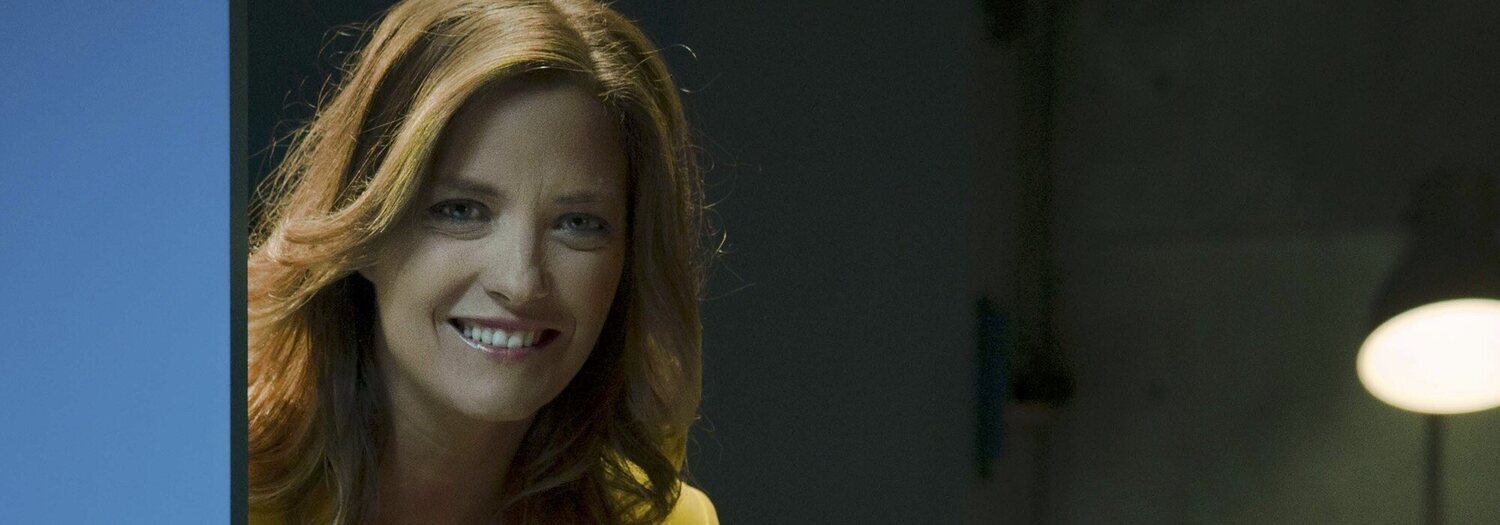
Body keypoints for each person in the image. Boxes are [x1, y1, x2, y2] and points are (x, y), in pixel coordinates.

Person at [247, 0, 715, 522]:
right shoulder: (207, 480)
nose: (521, 282)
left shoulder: (670, 520)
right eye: (461, 211)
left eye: (578, 223)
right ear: (364, 230)